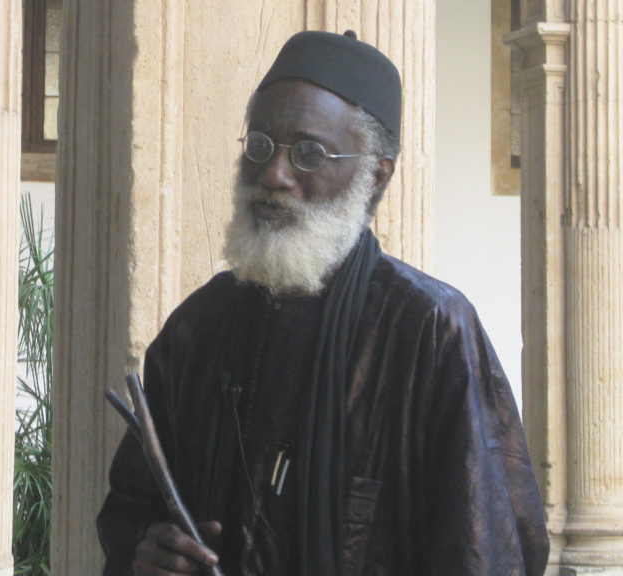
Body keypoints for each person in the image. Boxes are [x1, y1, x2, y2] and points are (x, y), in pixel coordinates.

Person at [97, 30, 550, 576]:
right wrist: (149, 552)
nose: (273, 174)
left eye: (309, 152)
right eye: (260, 145)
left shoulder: (429, 331)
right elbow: (129, 512)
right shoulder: (199, 328)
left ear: (375, 175)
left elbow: (489, 550)